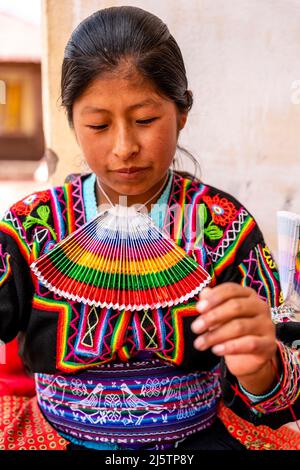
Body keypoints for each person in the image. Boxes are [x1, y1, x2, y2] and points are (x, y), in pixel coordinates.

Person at [0, 6, 299, 451]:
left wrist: (259, 364)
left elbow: (278, 393)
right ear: (72, 122)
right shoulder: (29, 228)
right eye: (98, 124)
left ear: (182, 112)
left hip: (199, 443)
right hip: (53, 440)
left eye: (145, 120)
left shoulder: (224, 227)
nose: (124, 147)